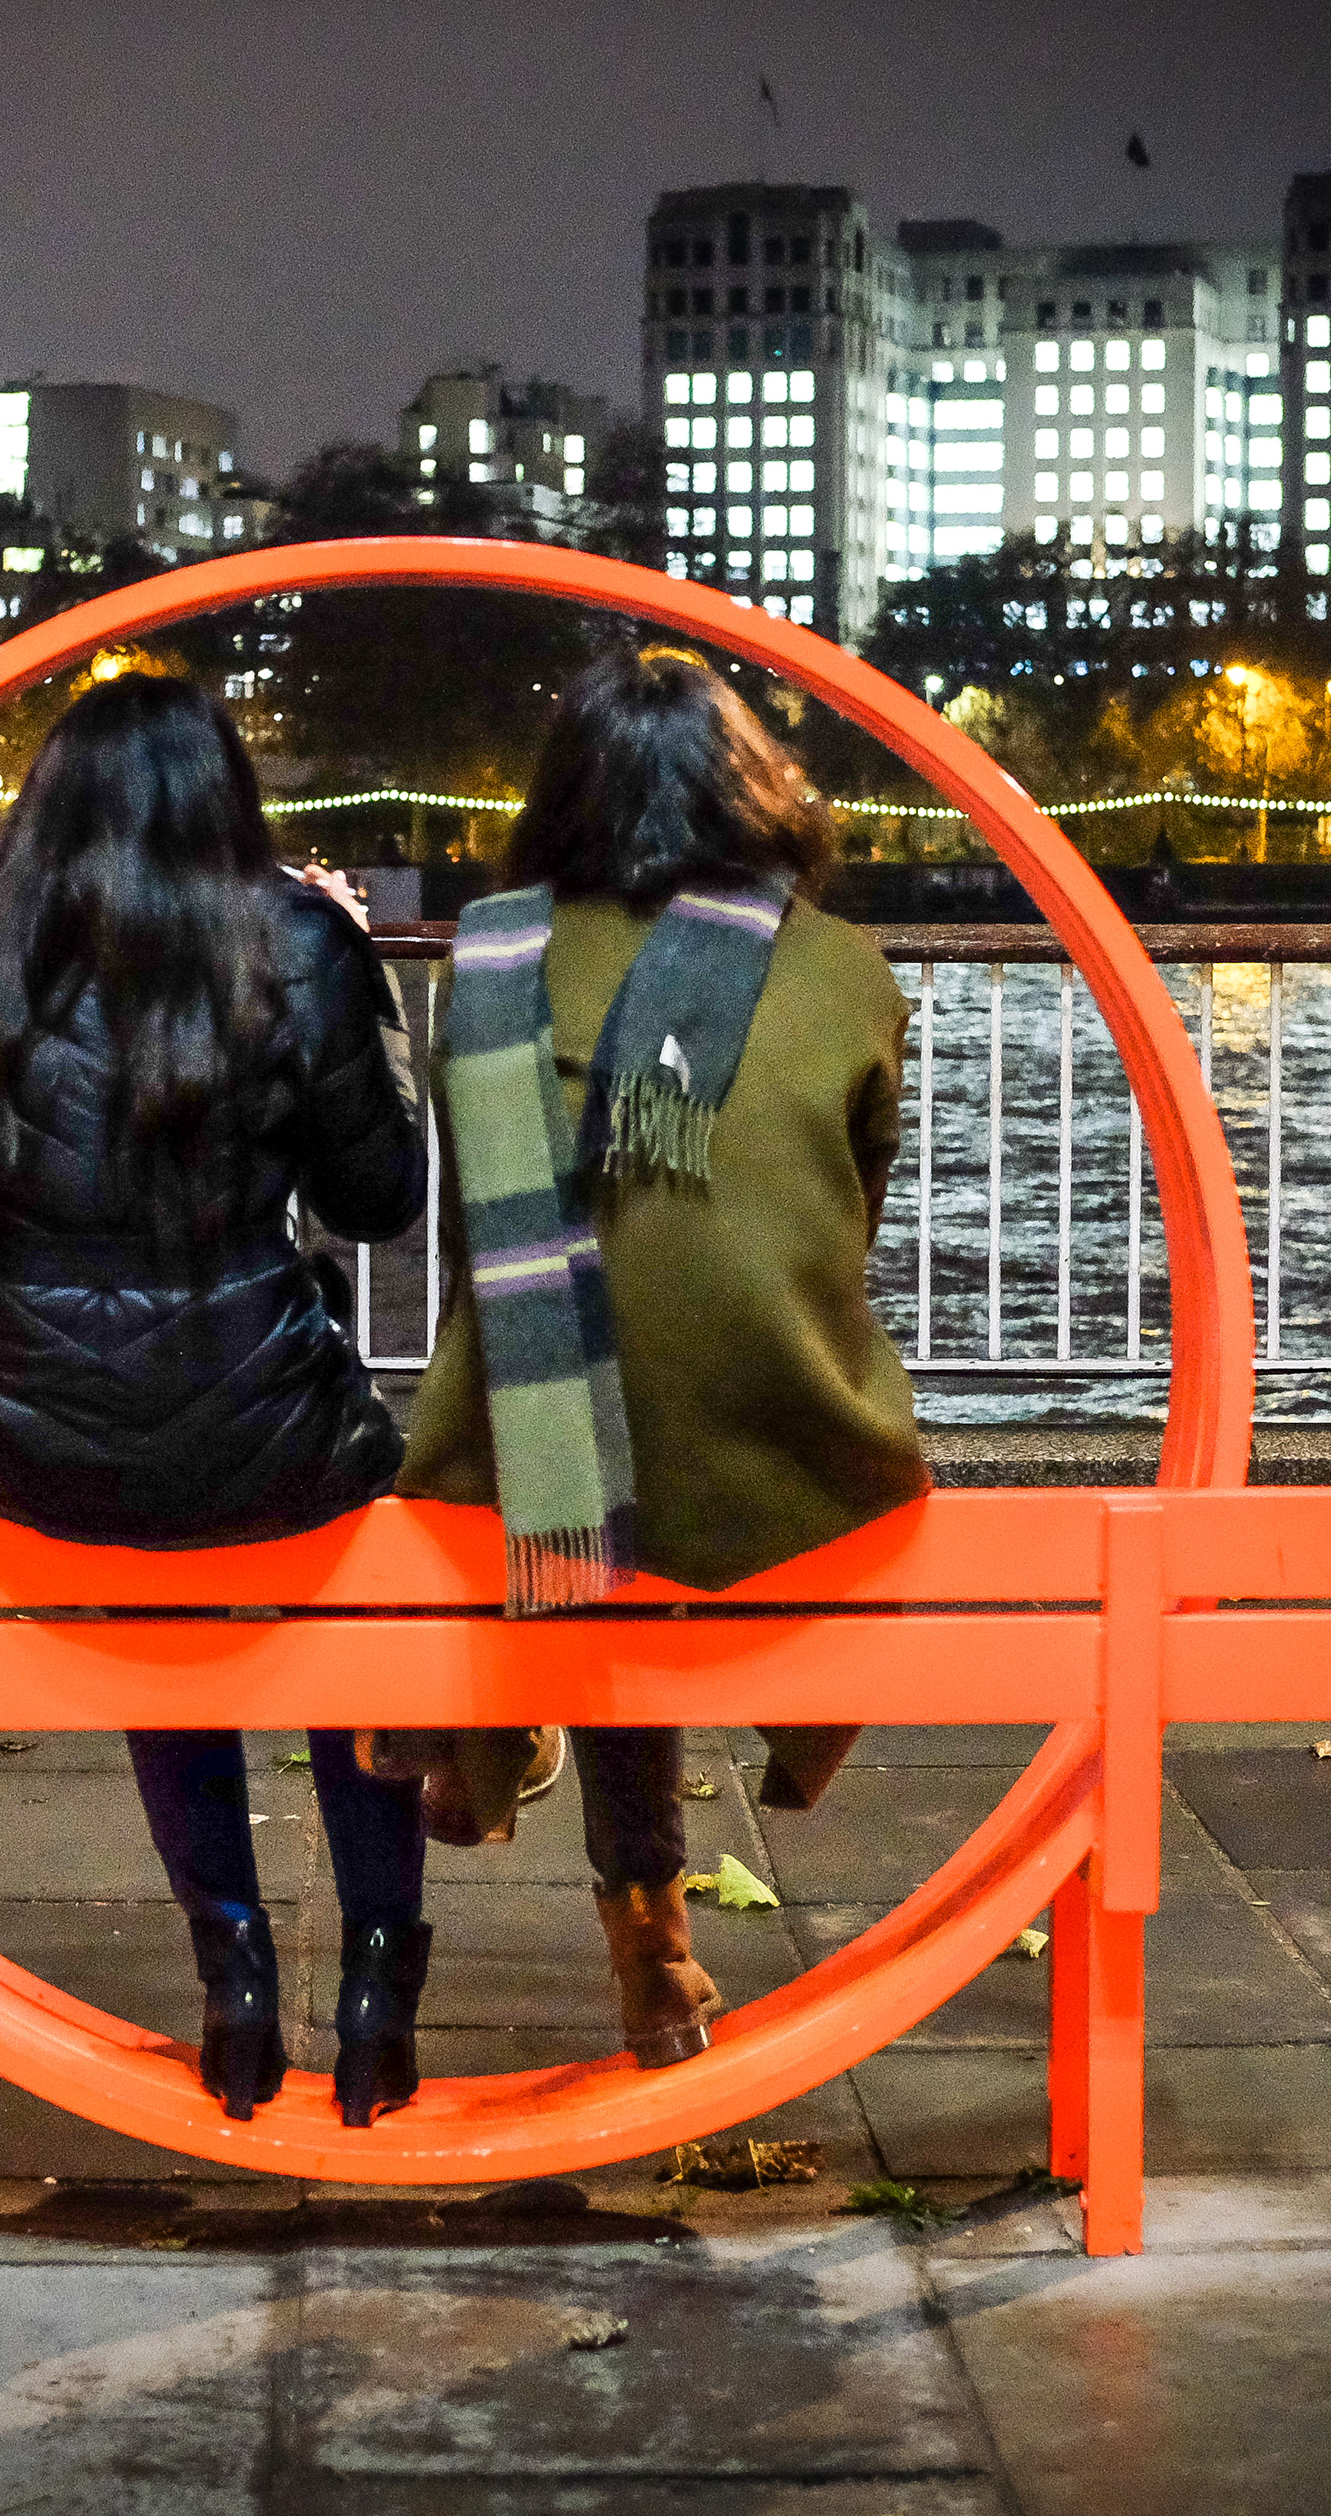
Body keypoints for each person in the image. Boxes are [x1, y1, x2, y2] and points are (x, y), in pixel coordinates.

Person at [0, 671, 436, 2128]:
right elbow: (378, 1203)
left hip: (31, 1442)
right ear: (225, 799)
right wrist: (359, 979)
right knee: (361, 1596)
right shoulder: (295, 940)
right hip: (261, 1422)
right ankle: (380, 1979)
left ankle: (235, 1971)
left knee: (157, 1605)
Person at [397, 647, 926, 2068]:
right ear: (754, 792)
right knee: (653, 1451)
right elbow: (847, 1216)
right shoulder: (841, 968)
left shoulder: (489, 956)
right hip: (787, 1462)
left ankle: (499, 1757)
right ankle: (631, 1908)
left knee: (563, 1439)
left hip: (533, 1477)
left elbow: (476, 1228)